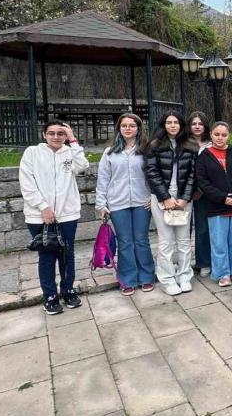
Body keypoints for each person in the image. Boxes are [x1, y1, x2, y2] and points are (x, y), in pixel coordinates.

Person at [19, 120, 88, 314]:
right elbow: (27, 183)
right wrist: (43, 207)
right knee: (47, 256)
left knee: (67, 254)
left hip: (67, 214)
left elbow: (82, 166)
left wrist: (73, 140)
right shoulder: (32, 153)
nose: (56, 137)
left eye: (60, 133)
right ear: (44, 135)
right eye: (51, 133)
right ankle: (49, 296)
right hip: (39, 215)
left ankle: (68, 290)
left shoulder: (69, 153)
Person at [95, 113, 154, 296]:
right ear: (119, 129)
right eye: (124, 125)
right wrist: (101, 204)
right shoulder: (110, 152)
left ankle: (146, 276)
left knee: (141, 240)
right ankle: (127, 279)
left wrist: (154, 196)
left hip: (142, 202)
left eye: (132, 125)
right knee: (125, 242)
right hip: (117, 203)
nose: (128, 128)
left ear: (138, 128)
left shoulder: (146, 150)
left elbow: (155, 175)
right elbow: (103, 179)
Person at [144, 112, 198, 296]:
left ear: (182, 125)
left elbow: (193, 175)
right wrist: (165, 197)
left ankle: (184, 276)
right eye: (169, 122)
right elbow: (151, 173)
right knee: (166, 241)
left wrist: (185, 198)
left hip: (183, 198)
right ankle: (167, 279)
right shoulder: (154, 145)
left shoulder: (190, 145)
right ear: (164, 125)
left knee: (184, 241)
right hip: (162, 198)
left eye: (176, 122)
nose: (173, 125)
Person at [195, 122, 232, 286]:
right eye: (217, 134)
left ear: (229, 136)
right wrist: (222, 197)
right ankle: (222, 273)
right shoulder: (204, 156)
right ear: (211, 135)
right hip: (216, 206)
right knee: (219, 242)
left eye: (224, 135)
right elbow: (203, 182)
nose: (220, 138)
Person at [187, 111, 212, 277]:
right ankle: (184, 263)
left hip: (205, 193)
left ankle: (204, 262)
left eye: (200, 123)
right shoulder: (183, 143)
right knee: (183, 230)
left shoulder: (211, 144)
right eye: (194, 124)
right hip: (184, 193)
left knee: (203, 228)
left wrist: (201, 190)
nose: (197, 126)